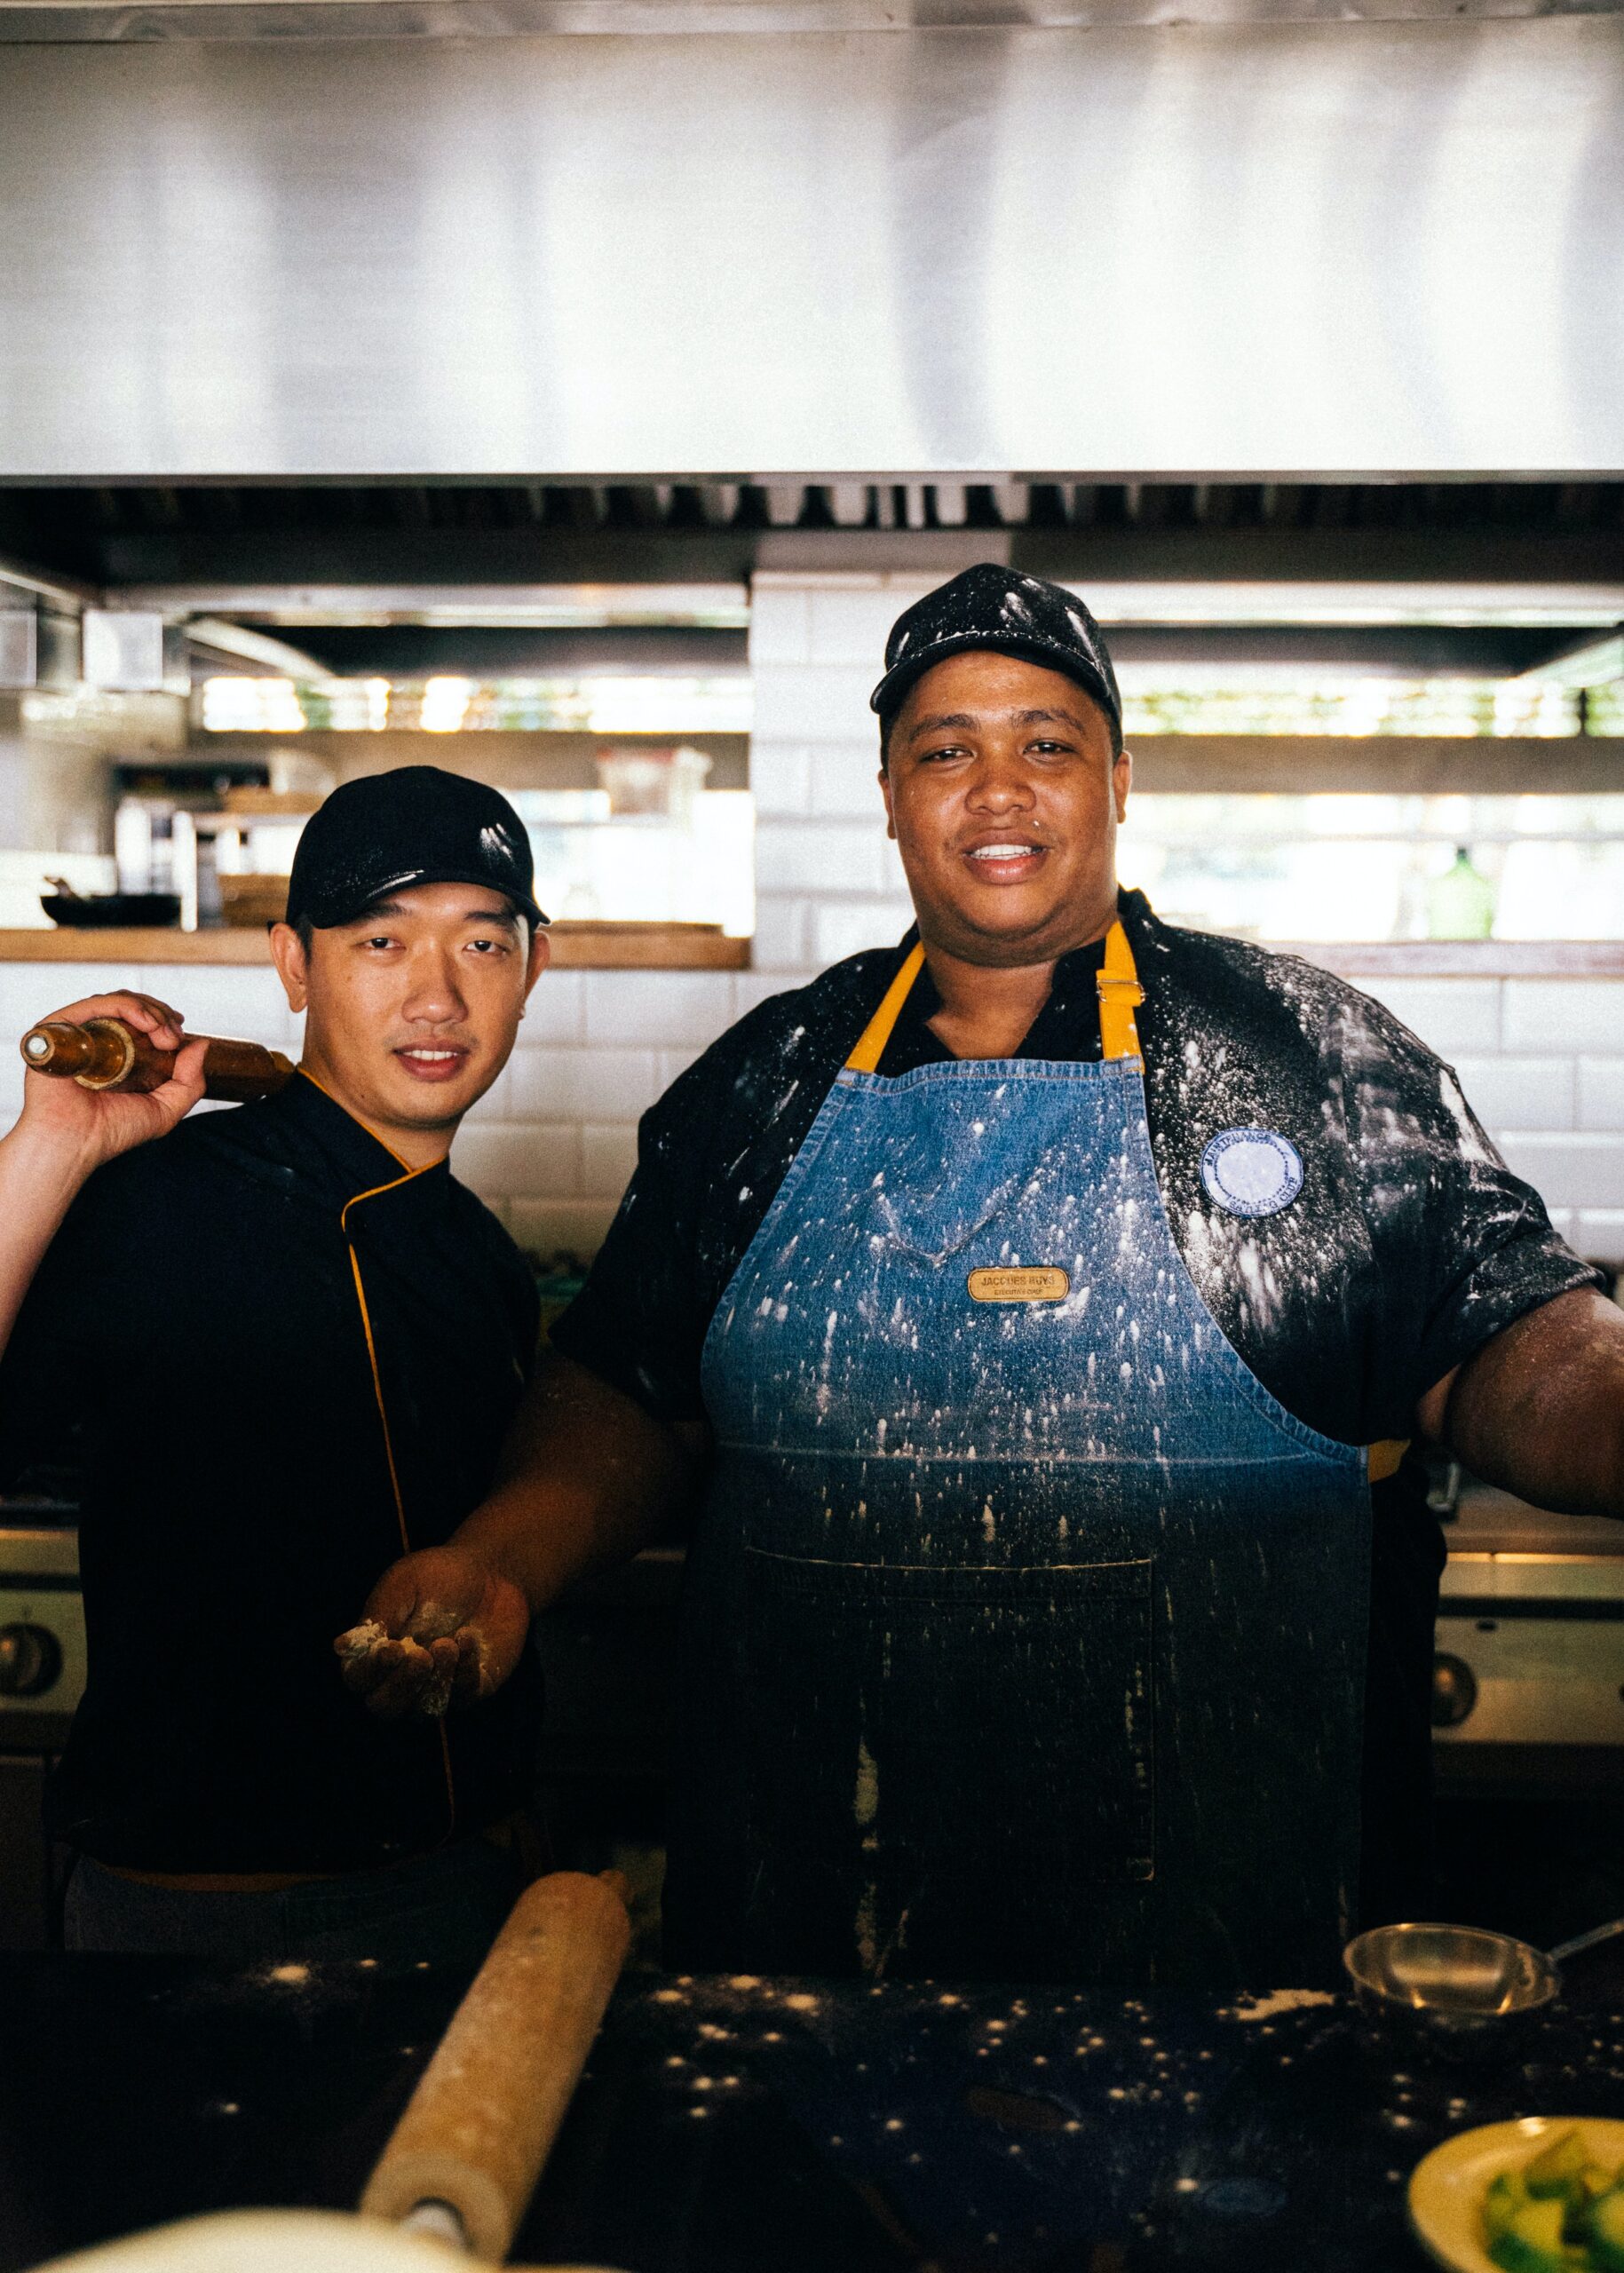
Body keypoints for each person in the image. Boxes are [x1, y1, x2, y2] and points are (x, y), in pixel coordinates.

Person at [344, 569, 1624, 1988]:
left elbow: (1508, 1337)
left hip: (1233, 1940)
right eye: (945, 751)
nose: (996, 790)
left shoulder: (1313, 1058)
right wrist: (508, 1557)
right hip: (814, 1929)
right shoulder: (763, 1082)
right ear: (891, 796)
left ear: (1118, 782)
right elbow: (628, 1392)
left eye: (1045, 743)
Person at [0, 766, 550, 1970]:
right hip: (205, 1915)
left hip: (460, 1892)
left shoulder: (476, 1255)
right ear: (294, 965)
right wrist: (49, 1144)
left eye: (482, 945)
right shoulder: (166, 1199)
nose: (437, 996)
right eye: (380, 940)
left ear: (533, 968)